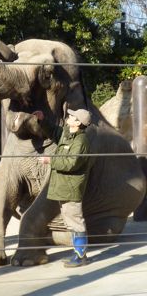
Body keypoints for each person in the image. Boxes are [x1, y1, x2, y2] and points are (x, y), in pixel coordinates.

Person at [34, 108, 92, 267]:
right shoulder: (68, 134)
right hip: (64, 186)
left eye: (72, 116)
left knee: (76, 222)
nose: (69, 116)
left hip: (71, 188)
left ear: (78, 123)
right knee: (71, 221)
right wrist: (42, 119)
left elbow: (71, 163)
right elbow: (54, 131)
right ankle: (78, 253)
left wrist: (50, 161)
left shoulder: (80, 142)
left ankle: (81, 256)